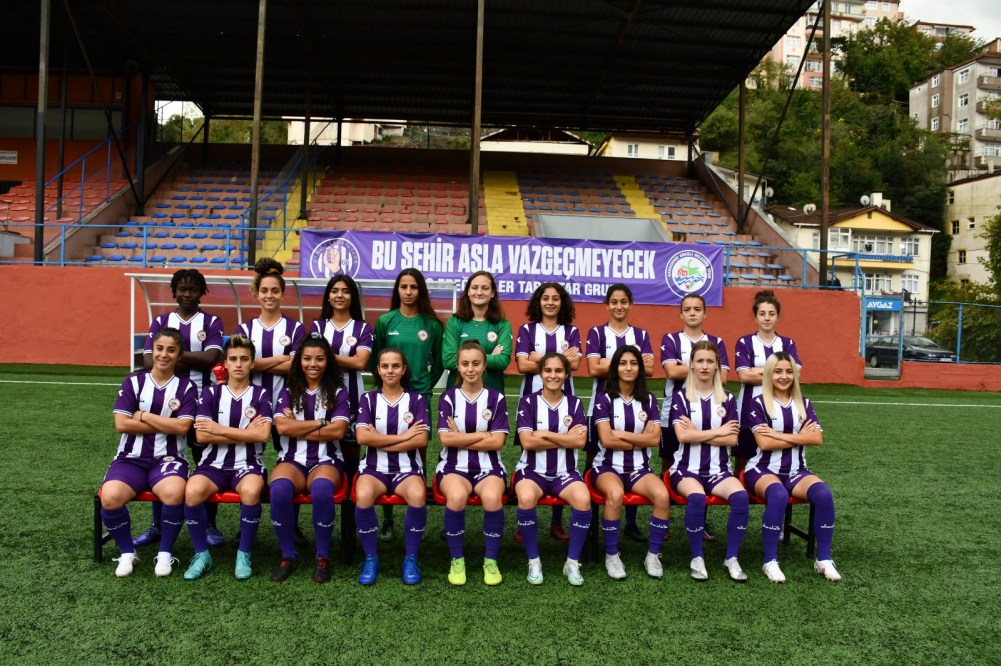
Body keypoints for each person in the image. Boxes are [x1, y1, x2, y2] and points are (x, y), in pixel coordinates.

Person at [135, 269, 224, 549]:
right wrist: (188, 357)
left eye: (193, 289)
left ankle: (209, 524)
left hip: (203, 399)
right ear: (174, 292)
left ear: (201, 292)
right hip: (165, 399)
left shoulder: (211, 321)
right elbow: (148, 362)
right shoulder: (161, 321)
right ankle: (157, 525)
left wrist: (171, 354)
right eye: (182, 289)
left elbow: (212, 358)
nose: (187, 294)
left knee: (206, 462)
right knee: (161, 459)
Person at [99, 328, 198, 577]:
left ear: (179, 355)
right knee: (110, 497)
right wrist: (167, 423)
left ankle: (164, 553)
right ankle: (127, 552)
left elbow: (182, 428)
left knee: (174, 493)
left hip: (169, 458)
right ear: (152, 351)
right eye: (159, 348)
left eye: (171, 350)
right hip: (130, 458)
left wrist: (143, 415)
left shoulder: (186, 387)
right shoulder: (133, 382)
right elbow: (122, 424)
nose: (164, 355)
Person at [182, 335, 272, 581]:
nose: (239, 364)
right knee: (192, 492)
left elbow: (262, 435)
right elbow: (202, 436)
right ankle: (201, 555)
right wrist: (245, 433)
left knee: (251, 492)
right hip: (213, 464)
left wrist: (219, 429)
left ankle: (243, 554)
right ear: (225, 363)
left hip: (248, 464)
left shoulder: (261, 395)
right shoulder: (211, 393)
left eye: (244, 359)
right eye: (233, 359)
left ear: (252, 363)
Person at [746, 352, 840, 583]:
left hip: (797, 471)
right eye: (778, 371)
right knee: (778, 495)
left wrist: (779, 435)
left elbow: (816, 438)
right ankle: (770, 561)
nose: (784, 376)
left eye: (789, 371)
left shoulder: (803, 403)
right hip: (762, 469)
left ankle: (823, 559)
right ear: (769, 374)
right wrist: (799, 436)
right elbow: (764, 443)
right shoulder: (758, 402)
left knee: (824, 495)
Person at [269, 334, 350, 583]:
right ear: (299, 361)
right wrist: (321, 422)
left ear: (328, 362)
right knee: (279, 490)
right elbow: (282, 428)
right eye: (306, 358)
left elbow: (338, 431)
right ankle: (288, 556)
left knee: (322, 489)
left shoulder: (338, 392)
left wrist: (297, 425)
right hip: (291, 458)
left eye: (319, 359)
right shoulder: (287, 392)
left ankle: (322, 556)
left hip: (327, 459)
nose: (312, 364)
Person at [370, 268, 443, 542]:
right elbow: (376, 360)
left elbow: (439, 364)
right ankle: (388, 519)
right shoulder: (385, 321)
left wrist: (424, 385)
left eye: (413, 287)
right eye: (404, 286)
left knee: (418, 454)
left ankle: (417, 515)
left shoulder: (432, 325)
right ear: (397, 290)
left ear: (420, 290)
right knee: (385, 451)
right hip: (388, 396)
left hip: (419, 396)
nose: (409, 292)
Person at [668, 340, 749, 582]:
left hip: (719, 471)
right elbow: (683, 436)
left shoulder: (728, 398)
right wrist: (718, 432)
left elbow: (732, 439)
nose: (705, 366)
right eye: (700, 361)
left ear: (717, 366)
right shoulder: (681, 397)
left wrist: (699, 433)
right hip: (686, 470)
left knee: (741, 497)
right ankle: (697, 557)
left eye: (710, 361)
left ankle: (731, 558)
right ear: (691, 365)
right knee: (697, 497)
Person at [591, 345, 670, 580]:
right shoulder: (604, 398)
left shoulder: (649, 400)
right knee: (615, 494)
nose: (628, 368)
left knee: (662, 496)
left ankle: (652, 555)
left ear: (640, 368)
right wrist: (639, 440)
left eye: (634, 363)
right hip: (607, 467)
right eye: (623, 363)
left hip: (639, 469)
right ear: (615, 368)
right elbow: (606, 439)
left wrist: (621, 435)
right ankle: (612, 555)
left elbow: (654, 439)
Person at [354, 348, 431, 585]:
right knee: (363, 495)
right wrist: (403, 437)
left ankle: (410, 558)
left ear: (404, 369)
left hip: (407, 469)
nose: (390, 371)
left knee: (417, 495)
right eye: (385, 366)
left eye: (395, 366)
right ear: (377, 370)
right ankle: (371, 558)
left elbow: (421, 440)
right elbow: (362, 438)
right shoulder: (368, 399)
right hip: (374, 468)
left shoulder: (416, 400)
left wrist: (379, 439)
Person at [513, 353, 591, 586]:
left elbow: (580, 442)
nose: (553, 375)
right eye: (548, 370)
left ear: (566, 374)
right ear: (541, 373)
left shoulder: (575, 403)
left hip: (565, 472)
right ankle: (534, 561)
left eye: (558, 371)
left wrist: (544, 434)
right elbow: (527, 442)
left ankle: (572, 562)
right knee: (526, 497)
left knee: (583, 499)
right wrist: (565, 438)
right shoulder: (528, 402)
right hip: (531, 471)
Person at [585, 283, 654, 544]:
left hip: (634, 405)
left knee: (633, 459)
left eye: (623, 301)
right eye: (614, 301)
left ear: (630, 304)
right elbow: (593, 369)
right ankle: (592, 519)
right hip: (601, 407)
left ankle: (631, 523)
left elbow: (649, 370)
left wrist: (607, 361)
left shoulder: (641, 334)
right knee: (596, 460)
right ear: (607, 305)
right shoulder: (597, 332)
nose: (619, 306)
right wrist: (626, 363)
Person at [437, 341, 509, 586]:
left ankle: (491, 560)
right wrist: (482, 435)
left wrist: (461, 437)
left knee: (492, 498)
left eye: (476, 363)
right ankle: (457, 560)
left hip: (489, 468)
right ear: (457, 366)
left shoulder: (496, 398)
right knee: (457, 497)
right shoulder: (448, 397)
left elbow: (497, 442)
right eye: (465, 364)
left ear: (484, 365)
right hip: (453, 467)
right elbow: (445, 439)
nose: (470, 369)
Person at [659, 292, 730, 542]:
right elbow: (670, 371)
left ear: (705, 313)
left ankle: (701, 519)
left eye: (697, 309)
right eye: (687, 309)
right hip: (673, 413)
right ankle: (664, 517)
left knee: (705, 464)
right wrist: (700, 369)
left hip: (708, 414)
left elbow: (724, 377)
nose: (692, 313)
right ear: (681, 314)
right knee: (668, 463)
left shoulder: (716, 341)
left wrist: (686, 366)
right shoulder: (670, 339)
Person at [515, 282, 581, 544]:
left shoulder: (571, 331)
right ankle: (524, 520)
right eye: (545, 298)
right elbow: (522, 365)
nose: (550, 302)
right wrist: (558, 358)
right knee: (530, 451)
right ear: (538, 302)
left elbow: (575, 364)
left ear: (562, 302)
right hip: (532, 399)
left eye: (555, 298)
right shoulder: (527, 330)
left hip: (564, 399)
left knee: (562, 456)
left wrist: (538, 358)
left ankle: (556, 522)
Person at [734, 290, 802, 474]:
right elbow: (744, 376)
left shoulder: (787, 344)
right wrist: (779, 373)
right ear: (755, 317)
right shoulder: (745, 342)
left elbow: (795, 373)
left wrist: (756, 369)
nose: (767, 318)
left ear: (778, 317)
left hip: (780, 409)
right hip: (748, 410)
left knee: (777, 459)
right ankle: (740, 492)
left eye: (771, 314)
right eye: (762, 313)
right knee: (742, 463)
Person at [236, 258, 304, 409]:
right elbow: (240, 365)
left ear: (283, 294)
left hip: (286, 403)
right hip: (251, 403)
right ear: (257, 294)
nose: (269, 295)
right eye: (264, 290)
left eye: (275, 291)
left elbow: (296, 367)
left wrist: (254, 364)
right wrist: (280, 359)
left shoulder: (295, 328)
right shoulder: (245, 329)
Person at [442, 271, 513, 393]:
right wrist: (488, 357)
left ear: (492, 293)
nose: (479, 292)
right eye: (475, 288)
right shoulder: (454, 322)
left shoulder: (502, 324)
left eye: (485, 288)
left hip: (492, 392)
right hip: (458, 392)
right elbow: (448, 360)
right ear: (468, 292)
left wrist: (463, 358)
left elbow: (503, 361)